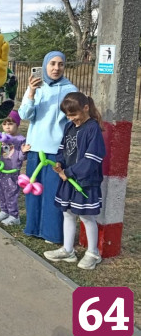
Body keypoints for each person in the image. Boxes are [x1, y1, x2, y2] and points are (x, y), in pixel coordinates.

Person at [18, 51, 77, 244]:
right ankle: (33, 227)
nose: (56, 68)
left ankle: (51, 233)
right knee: (34, 190)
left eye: (60, 64)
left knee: (53, 193)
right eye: (52, 63)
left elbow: (72, 120)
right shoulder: (36, 86)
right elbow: (25, 114)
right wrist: (32, 93)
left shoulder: (70, 89)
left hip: (56, 150)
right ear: (44, 65)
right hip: (35, 148)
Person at [44, 93, 105, 270]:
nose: (71, 119)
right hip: (68, 179)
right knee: (68, 213)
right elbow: (63, 149)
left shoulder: (93, 128)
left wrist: (69, 173)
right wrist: (59, 162)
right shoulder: (69, 127)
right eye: (68, 116)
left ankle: (93, 253)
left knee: (86, 216)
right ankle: (68, 250)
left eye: (74, 115)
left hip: (84, 181)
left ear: (85, 108)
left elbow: (93, 158)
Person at [0, 110, 27, 226]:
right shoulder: (1, 137)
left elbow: (21, 157)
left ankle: (14, 216)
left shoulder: (21, 139)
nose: (7, 127)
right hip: (0, 170)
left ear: (17, 124)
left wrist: (23, 151)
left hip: (12, 172)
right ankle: (4, 211)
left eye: (10, 124)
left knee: (11, 193)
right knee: (0, 192)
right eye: (5, 124)